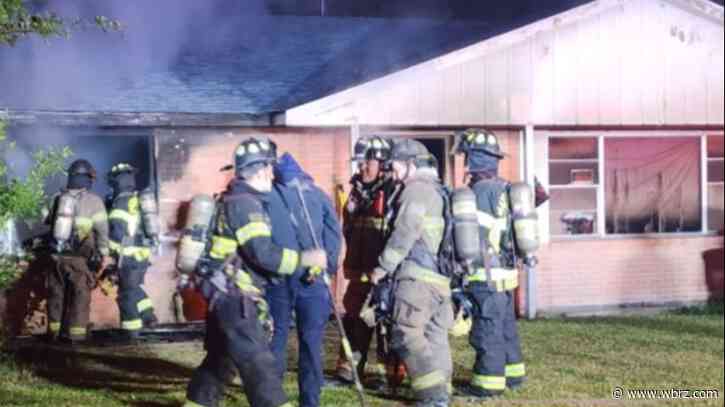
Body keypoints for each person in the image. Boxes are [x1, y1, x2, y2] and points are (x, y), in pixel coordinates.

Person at [183, 136, 327, 407]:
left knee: (221, 361)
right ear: (261, 170)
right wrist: (306, 258)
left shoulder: (236, 198)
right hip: (235, 297)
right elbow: (264, 254)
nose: (272, 174)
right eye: (270, 168)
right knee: (259, 363)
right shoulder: (246, 205)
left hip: (222, 293)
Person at [368, 139, 453, 407]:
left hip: (417, 279)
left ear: (410, 165)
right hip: (441, 280)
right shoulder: (439, 191)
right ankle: (442, 390)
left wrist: (382, 267)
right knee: (434, 336)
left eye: (394, 166)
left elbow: (404, 233)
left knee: (406, 332)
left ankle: (432, 396)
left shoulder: (416, 191)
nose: (391, 172)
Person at [453, 129, 530, 399]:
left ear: (473, 160)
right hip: (507, 275)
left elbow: (472, 238)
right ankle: (514, 375)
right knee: (506, 327)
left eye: (465, 157)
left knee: (487, 332)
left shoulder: (477, 193)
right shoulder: (505, 189)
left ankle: (487, 385)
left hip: (485, 276)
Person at [265, 152, 341, 407]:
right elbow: (333, 234)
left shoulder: (267, 195)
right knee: (311, 342)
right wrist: (327, 266)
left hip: (278, 279)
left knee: (275, 341)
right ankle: (311, 400)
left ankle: (272, 398)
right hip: (314, 281)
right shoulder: (318, 195)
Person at [336, 136, 400, 386]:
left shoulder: (395, 192)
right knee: (353, 319)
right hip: (358, 271)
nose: (362, 168)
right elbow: (349, 228)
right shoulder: (357, 191)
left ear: (383, 164)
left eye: (368, 163)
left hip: (383, 274)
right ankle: (348, 370)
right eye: (360, 163)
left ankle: (386, 375)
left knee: (385, 323)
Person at [46, 159, 111, 343]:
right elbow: (102, 230)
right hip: (78, 259)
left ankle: (53, 333)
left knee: (56, 295)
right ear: (88, 179)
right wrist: (103, 253)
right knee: (79, 296)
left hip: (56, 257)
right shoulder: (94, 201)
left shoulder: (56, 198)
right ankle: (76, 336)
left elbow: (43, 223)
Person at [106, 163, 158, 340]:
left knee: (126, 294)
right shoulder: (136, 199)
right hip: (142, 255)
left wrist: (107, 251)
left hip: (128, 256)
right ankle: (148, 316)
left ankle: (131, 332)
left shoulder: (120, 202)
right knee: (134, 288)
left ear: (117, 181)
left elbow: (116, 232)